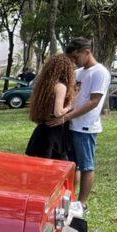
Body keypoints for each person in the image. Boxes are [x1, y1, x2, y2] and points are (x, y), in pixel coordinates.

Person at [48, 37, 110, 208]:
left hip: (86, 127)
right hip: (71, 125)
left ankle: (82, 204)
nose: (74, 61)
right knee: (72, 165)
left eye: (76, 57)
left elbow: (94, 102)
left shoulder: (100, 72)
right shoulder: (78, 73)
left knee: (86, 166)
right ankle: (71, 199)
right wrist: (65, 112)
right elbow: (73, 97)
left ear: (87, 52)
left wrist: (67, 116)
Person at [26, 54, 76, 160]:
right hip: (54, 133)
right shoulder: (61, 86)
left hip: (41, 131)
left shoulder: (44, 85)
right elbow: (58, 112)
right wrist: (69, 106)